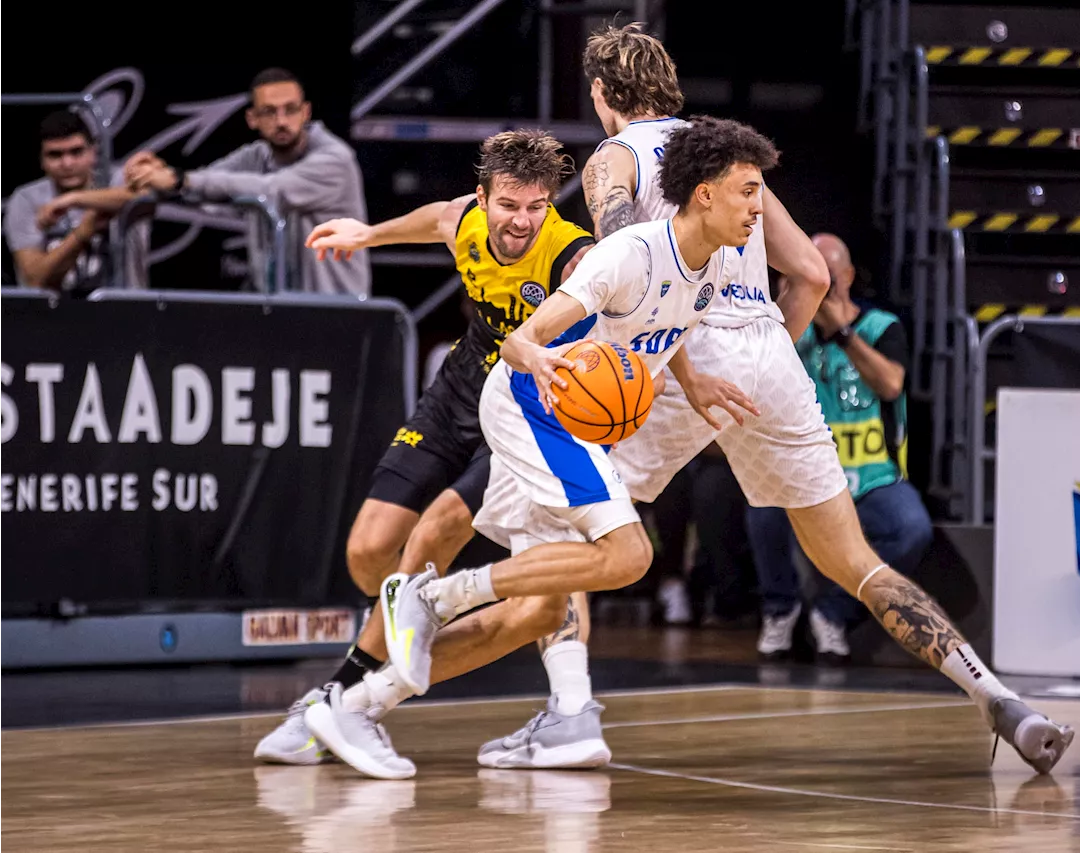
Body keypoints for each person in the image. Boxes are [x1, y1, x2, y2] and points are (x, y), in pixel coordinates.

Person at [451, 23, 1071, 776]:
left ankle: (569, 714)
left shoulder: (612, 158)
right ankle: (1001, 697)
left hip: (677, 352)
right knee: (856, 561)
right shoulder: (732, 165)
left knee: (564, 527)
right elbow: (809, 272)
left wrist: (679, 369)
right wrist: (772, 352)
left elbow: (634, 271)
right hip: (771, 353)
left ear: (602, 94)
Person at [301, 114, 768, 780]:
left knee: (547, 602)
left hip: (555, 411)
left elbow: (669, 322)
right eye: (749, 191)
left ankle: (357, 703)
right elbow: (522, 344)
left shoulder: (714, 265)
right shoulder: (621, 255)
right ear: (705, 195)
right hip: (527, 403)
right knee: (623, 553)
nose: (760, 208)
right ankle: (427, 605)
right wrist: (542, 361)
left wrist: (689, 383)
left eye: (536, 205)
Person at [250, 129, 592, 765]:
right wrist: (367, 234)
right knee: (370, 551)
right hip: (462, 386)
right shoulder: (463, 217)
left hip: (524, 409)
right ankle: (402, 640)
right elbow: (434, 218)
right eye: (509, 205)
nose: (521, 220)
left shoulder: (571, 257)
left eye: (536, 206)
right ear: (483, 196)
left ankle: (346, 696)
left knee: (451, 544)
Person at [749, 232, 933, 665]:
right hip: (805, 475)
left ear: (848, 276)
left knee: (912, 529)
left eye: (829, 277)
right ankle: (780, 610)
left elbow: (891, 384)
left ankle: (833, 614)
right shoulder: (787, 331)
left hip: (871, 475)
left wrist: (843, 332)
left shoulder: (879, 327)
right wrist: (788, 307)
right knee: (760, 509)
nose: (823, 286)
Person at [125, 68, 371, 296]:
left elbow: (273, 190)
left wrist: (179, 179)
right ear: (252, 119)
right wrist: (162, 175)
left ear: (306, 112)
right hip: (277, 311)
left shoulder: (335, 159)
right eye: (270, 112)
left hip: (337, 310)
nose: (282, 121)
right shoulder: (256, 156)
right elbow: (205, 186)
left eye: (290, 109)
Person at [3, 109, 148, 294]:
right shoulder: (26, 199)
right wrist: (83, 231)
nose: (67, 163)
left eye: (76, 152)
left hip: (123, 312)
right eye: (55, 155)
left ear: (93, 152)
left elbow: (144, 194)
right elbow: (35, 280)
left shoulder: (116, 181)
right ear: (41, 159)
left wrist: (73, 200)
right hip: (51, 316)